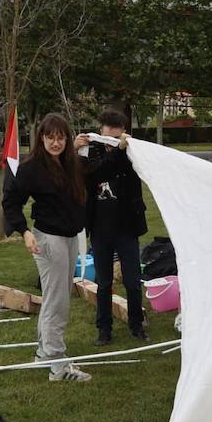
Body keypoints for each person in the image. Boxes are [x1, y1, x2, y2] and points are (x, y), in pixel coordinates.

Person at [1, 113, 99, 383]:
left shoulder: (71, 164)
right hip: (48, 240)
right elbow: (10, 201)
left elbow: (96, 169)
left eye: (60, 137)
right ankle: (58, 366)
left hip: (69, 238)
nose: (55, 143)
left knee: (57, 297)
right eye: (50, 137)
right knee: (58, 302)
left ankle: (45, 353)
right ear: (41, 138)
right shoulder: (31, 168)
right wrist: (25, 232)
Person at [76, 109, 147, 346]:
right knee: (104, 282)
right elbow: (92, 175)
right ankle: (104, 329)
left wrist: (124, 150)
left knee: (133, 281)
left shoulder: (131, 154)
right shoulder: (93, 154)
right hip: (100, 229)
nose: (112, 144)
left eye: (116, 139)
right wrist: (76, 149)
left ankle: (137, 325)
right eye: (107, 139)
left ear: (123, 134)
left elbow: (137, 172)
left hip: (126, 227)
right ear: (101, 133)